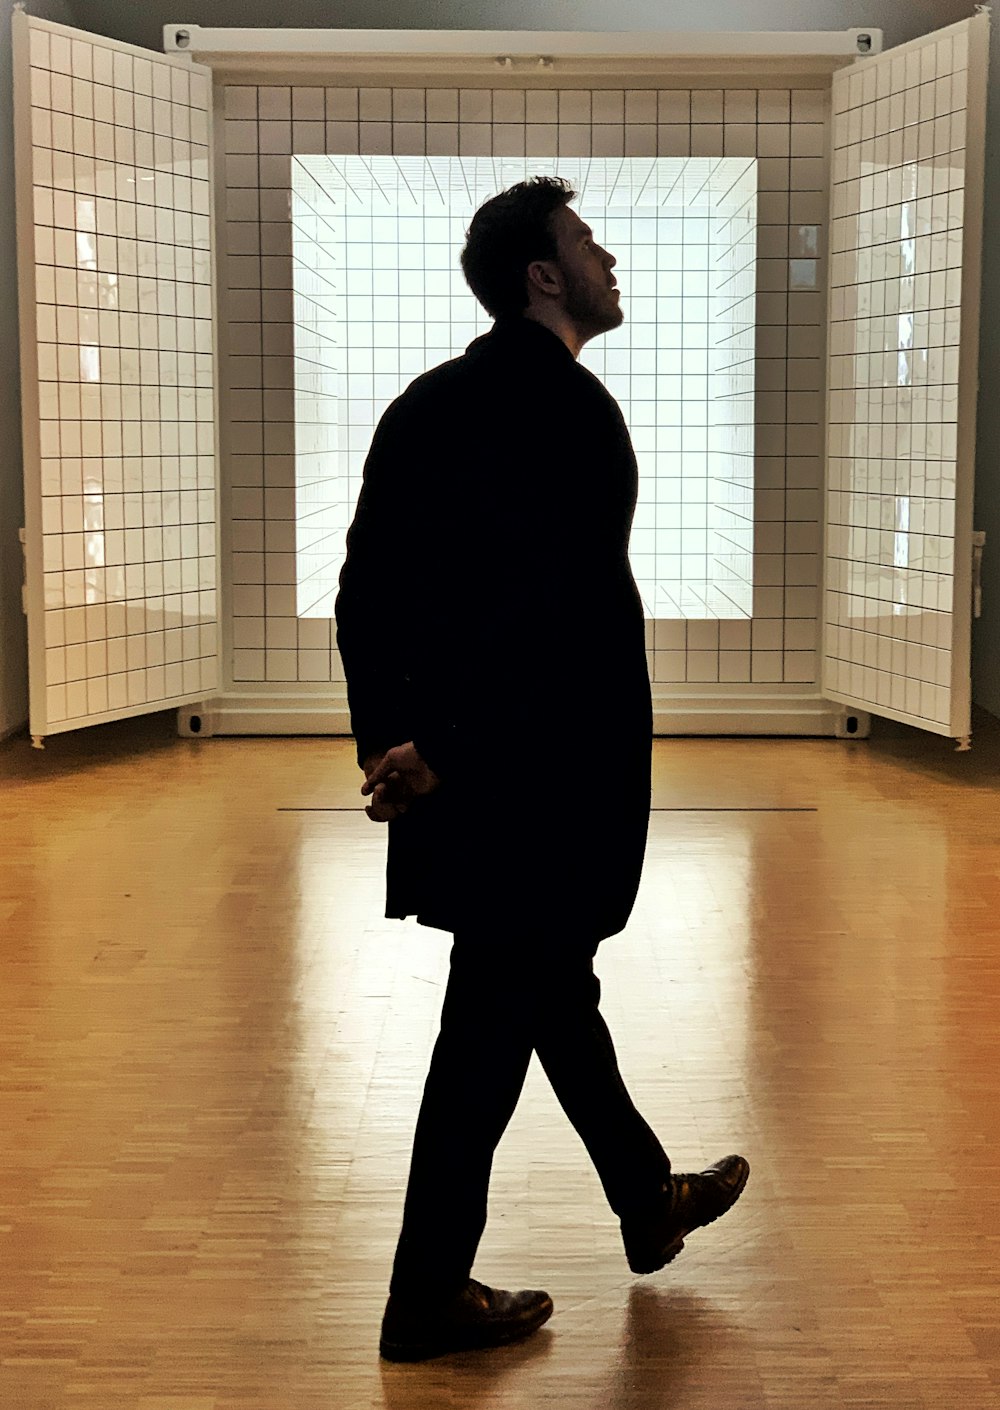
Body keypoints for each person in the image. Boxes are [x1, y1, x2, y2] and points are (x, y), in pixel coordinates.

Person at [335, 176, 749, 1364]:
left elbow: (367, 594)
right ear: (542, 277)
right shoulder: (570, 413)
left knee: (541, 989)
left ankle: (643, 1197)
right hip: (539, 779)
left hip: (463, 779)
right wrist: (450, 749)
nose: (608, 257)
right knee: (490, 1025)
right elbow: (552, 623)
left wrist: (394, 746)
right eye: (585, 242)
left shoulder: (425, 406)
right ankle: (424, 1297)